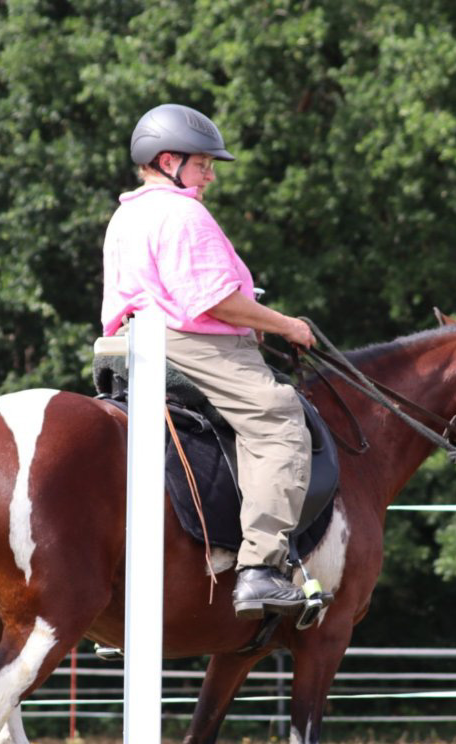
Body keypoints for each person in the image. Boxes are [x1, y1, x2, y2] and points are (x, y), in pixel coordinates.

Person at [101, 103, 315, 620]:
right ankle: (261, 568)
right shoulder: (183, 212)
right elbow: (211, 300)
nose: (211, 175)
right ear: (169, 160)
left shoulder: (127, 213)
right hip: (190, 343)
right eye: (203, 164)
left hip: (126, 342)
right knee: (280, 418)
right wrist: (284, 323)